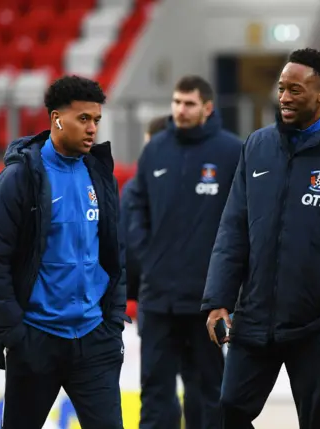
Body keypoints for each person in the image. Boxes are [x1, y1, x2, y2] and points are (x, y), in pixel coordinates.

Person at [202, 48, 320, 429]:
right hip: (253, 318)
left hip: (319, 326)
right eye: (282, 88)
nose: (284, 97)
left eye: (296, 90)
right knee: (229, 410)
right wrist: (219, 299)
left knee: (317, 421)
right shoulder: (256, 146)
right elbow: (233, 227)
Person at [0, 75, 130, 428]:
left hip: (95, 339)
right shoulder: (20, 179)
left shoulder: (100, 175)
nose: (92, 128)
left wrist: (112, 321)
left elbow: (114, 253)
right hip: (37, 339)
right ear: (56, 119)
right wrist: (17, 337)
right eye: (83, 119)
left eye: (96, 119)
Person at [127, 75, 242, 429]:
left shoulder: (231, 151)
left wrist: (226, 287)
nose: (180, 109)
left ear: (207, 108)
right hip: (158, 299)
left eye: (189, 103)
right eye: (176, 102)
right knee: (154, 391)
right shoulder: (155, 149)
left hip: (206, 301)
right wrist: (148, 260)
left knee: (209, 390)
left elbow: (243, 221)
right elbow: (136, 209)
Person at [119, 114, 202, 429]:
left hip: (168, 305)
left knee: (170, 390)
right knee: (179, 390)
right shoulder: (137, 191)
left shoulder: (137, 190)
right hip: (177, 303)